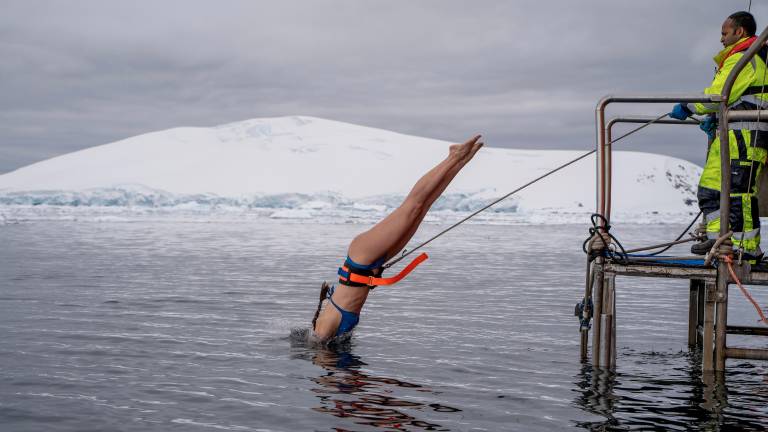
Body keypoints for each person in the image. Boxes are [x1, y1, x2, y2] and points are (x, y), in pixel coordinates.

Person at [311, 135, 484, 341]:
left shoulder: (322, 333)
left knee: (412, 207)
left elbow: (322, 365)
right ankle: (460, 161)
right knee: (421, 209)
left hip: (362, 256)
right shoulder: (331, 330)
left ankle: (453, 157)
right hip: (372, 263)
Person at [669, 11, 768, 260]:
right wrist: (714, 118)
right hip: (730, 136)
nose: (721, 39)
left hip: (747, 134)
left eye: (724, 33)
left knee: (739, 192)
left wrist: (689, 106)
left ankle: (747, 247)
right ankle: (717, 239)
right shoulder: (741, 57)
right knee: (710, 189)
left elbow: (720, 94)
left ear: (740, 32)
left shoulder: (746, 58)